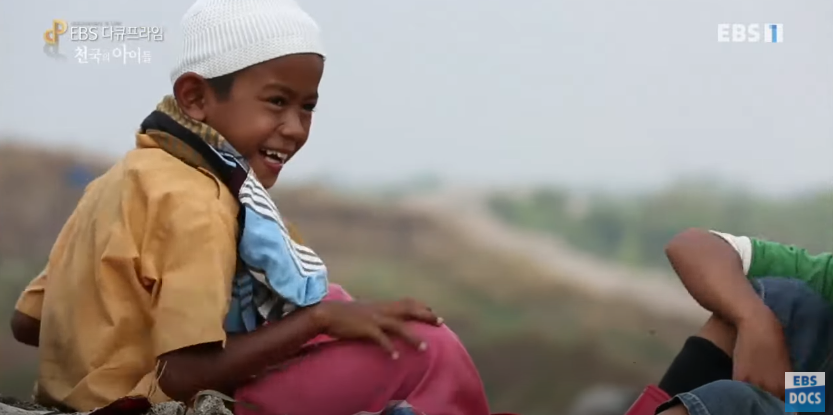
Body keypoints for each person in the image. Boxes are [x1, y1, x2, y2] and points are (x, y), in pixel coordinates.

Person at [8, 1, 497, 414]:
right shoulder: (197, 203)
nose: (295, 128)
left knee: (343, 303)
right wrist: (317, 323)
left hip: (79, 395)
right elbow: (181, 375)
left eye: (307, 106)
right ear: (195, 97)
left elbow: (28, 321)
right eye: (277, 101)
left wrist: (113, 332)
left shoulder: (121, 178)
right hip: (145, 405)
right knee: (423, 349)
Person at [624, 228, 833, 415]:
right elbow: (691, 245)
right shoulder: (825, 277)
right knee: (782, 302)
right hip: (809, 402)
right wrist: (755, 322)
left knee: (732, 400)